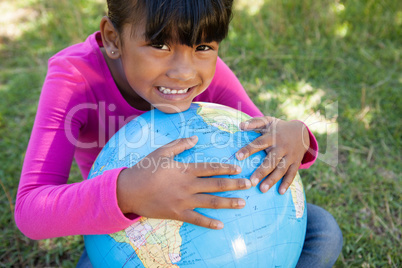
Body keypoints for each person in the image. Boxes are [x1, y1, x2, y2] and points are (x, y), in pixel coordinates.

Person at [15, 0, 343, 267]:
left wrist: (294, 135)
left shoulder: (210, 76)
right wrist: (126, 193)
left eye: (202, 46)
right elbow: (31, 210)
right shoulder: (74, 78)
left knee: (322, 232)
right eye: (159, 44)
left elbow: (260, 140)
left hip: (220, 227)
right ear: (113, 39)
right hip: (130, 238)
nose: (184, 71)